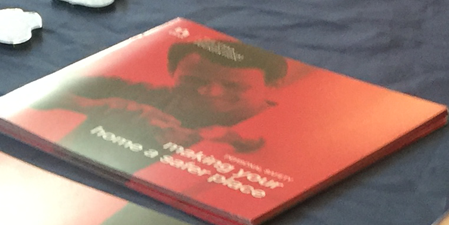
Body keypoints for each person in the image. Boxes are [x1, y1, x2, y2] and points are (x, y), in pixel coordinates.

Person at [26, 34, 285, 174]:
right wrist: (92, 105)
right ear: (173, 72)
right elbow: (36, 93)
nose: (210, 92)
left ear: (272, 87)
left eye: (234, 86)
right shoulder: (140, 93)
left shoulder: (286, 130)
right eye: (193, 80)